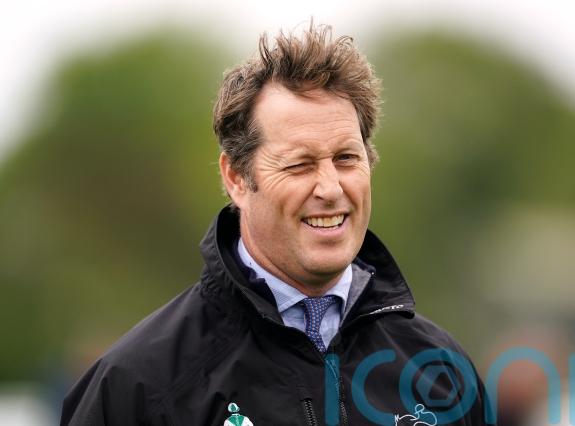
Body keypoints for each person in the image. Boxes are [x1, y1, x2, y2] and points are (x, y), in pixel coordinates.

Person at [61, 23, 493, 426]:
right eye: (300, 164)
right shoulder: (137, 388)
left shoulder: (444, 372)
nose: (330, 188)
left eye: (346, 158)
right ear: (236, 178)